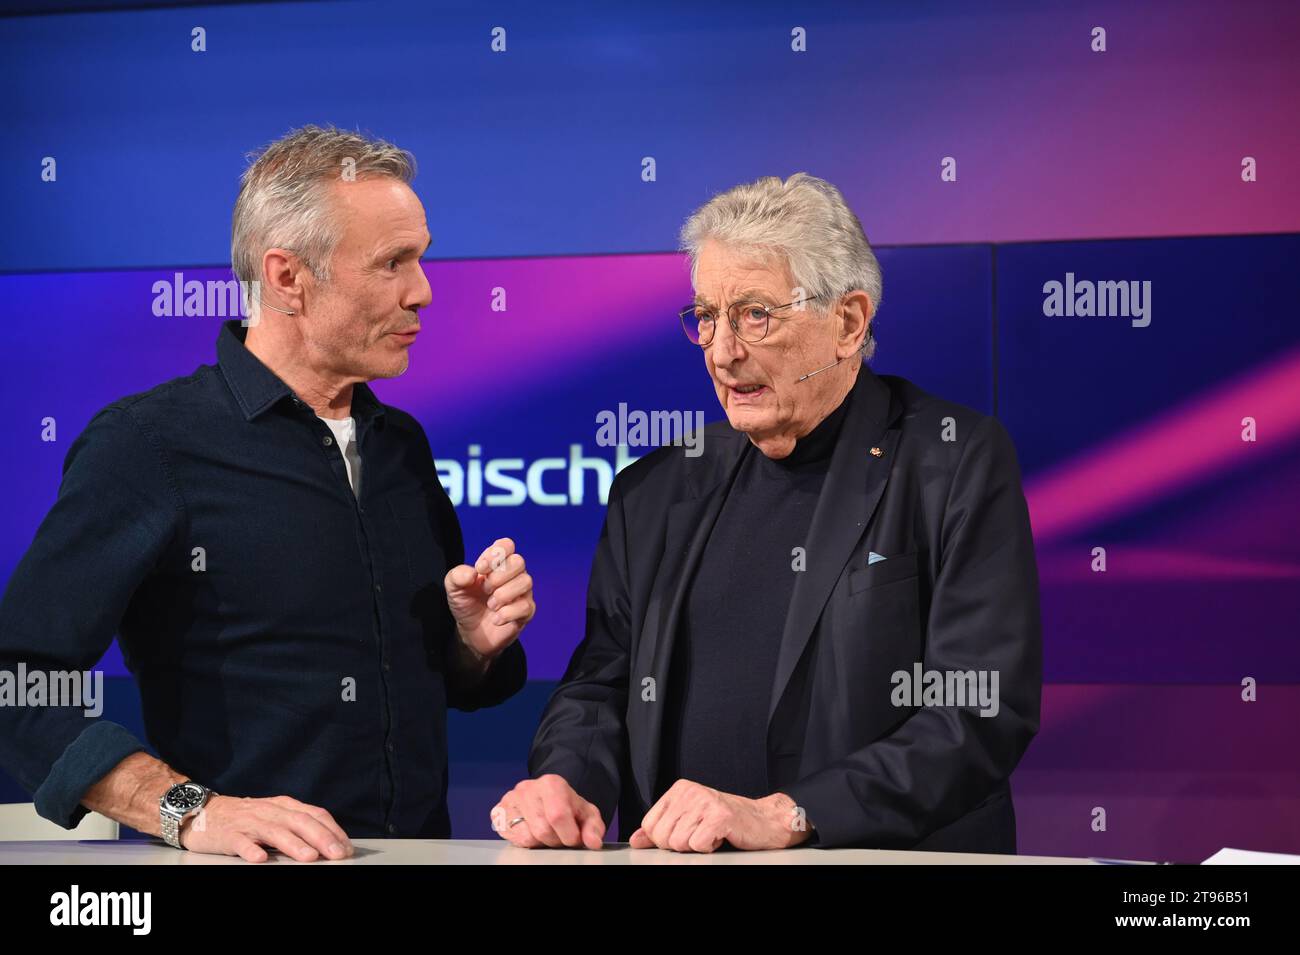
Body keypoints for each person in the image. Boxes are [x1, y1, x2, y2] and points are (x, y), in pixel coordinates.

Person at [0, 126, 534, 862]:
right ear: (287, 278)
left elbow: (447, 684)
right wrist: (189, 809)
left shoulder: (400, 445)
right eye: (393, 263)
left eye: (421, 257)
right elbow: (20, 681)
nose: (424, 289)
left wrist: (470, 647)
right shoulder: (147, 445)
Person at [495, 173, 1040, 853]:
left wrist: (792, 813)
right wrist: (565, 779)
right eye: (707, 316)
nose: (723, 352)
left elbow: (977, 712)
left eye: (756, 315)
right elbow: (601, 681)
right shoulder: (654, 490)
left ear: (848, 322)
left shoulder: (952, 463)